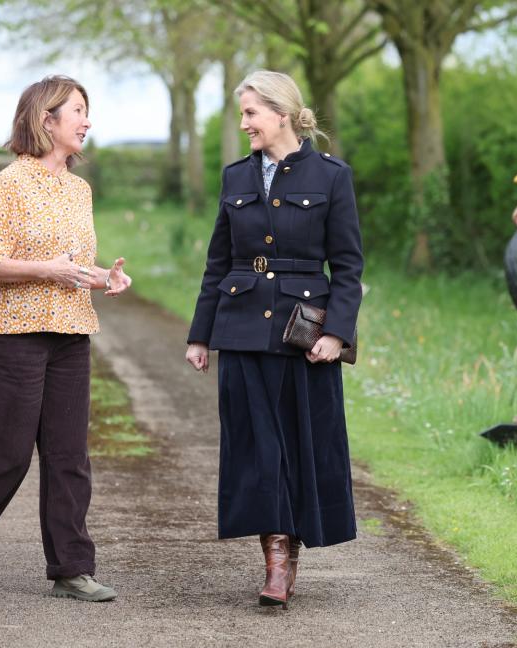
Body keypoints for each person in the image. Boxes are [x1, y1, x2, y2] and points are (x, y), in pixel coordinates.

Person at [0, 75, 131, 602]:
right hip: (9, 333)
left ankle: (71, 568)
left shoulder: (80, 190)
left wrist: (103, 277)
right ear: (45, 119)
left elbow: (70, 265)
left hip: (71, 331)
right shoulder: (7, 184)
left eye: (86, 109)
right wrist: (47, 271)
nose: (87, 120)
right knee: (3, 453)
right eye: (77, 110)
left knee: (68, 455)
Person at [185, 70, 364, 609]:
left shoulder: (332, 176)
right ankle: (276, 560)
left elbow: (349, 266)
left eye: (251, 113)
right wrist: (201, 335)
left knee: (299, 448)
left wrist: (337, 332)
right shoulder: (235, 177)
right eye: (243, 114)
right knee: (258, 450)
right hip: (240, 329)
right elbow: (218, 263)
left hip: (301, 337)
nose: (244, 124)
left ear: (281, 113)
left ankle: (291, 548)